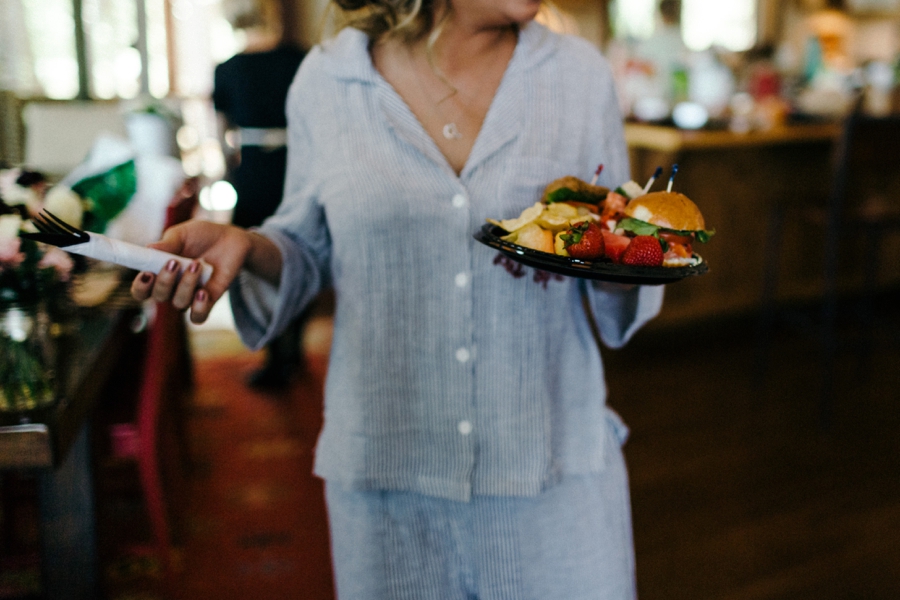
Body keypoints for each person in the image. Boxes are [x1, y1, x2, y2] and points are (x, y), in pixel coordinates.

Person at [133, 0, 665, 597]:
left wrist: (628, 259)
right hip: (387, 481)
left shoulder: (579, 76)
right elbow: (305, 245)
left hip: (550, 471)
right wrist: (248, 246)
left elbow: (618, 240)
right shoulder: (329, 81)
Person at [213, 0, 307, 388]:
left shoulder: (228, 69)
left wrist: (229, 171)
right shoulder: (300, 59)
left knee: (256, 256)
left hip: (252, 169)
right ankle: (293, 347)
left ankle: (274, 352)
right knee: (301, 249)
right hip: (295, 163)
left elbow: (221, 132)